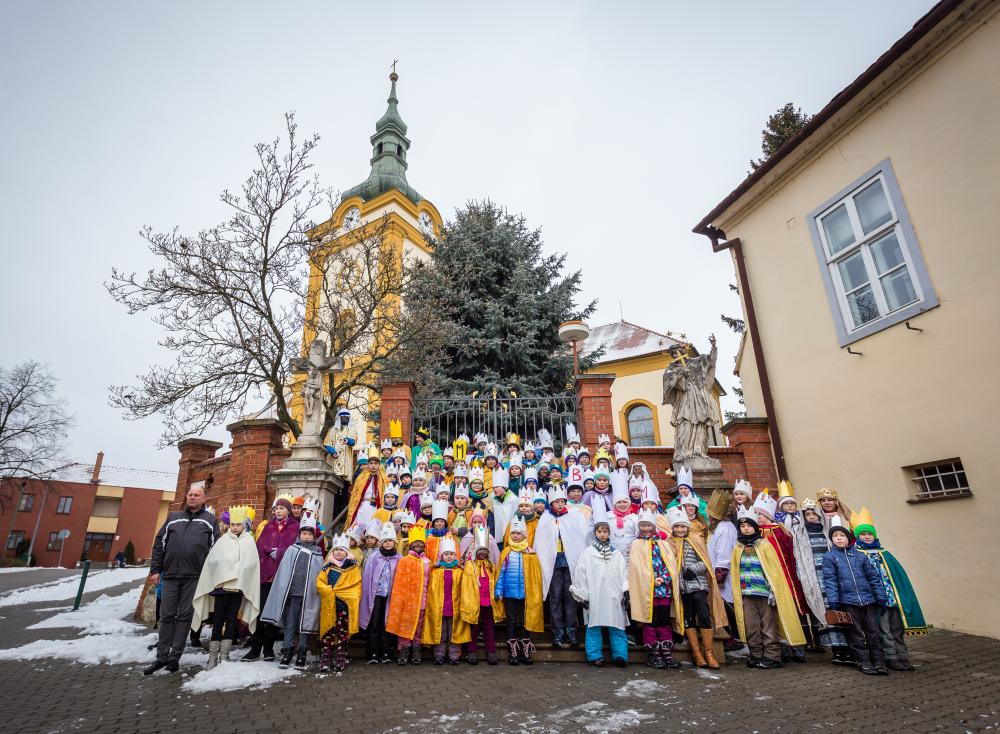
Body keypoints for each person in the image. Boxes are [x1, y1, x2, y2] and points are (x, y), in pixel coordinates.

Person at [143, 482, 219, 675]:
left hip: (194, 577)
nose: (192, 497)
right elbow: (159, 544)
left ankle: (174, 657)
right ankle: (161, 657)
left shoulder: (210, 520)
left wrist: (209, 576)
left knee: (185, 617)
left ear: (204, 499)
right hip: (170, 575)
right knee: (167, 616)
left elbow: (215, 550)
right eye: (190, 494)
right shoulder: (173, 518)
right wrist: (155, 570)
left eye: (196, 495)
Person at [730, 509, 805, 669]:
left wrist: (773, 590)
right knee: (751, 626)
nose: (745, 529)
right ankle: (756, 654)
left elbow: (774, 571)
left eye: (749, 526)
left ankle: (772, 656)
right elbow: (735, 572)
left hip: (765, 593)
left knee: (768, 626)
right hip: (747, 593)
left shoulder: (764, 545)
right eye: (742, 526)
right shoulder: (737, 548)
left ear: (755, 527)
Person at [852, 506, 924, 671]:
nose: (867, 536)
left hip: (893, 598)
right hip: (877, 600)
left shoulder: (885, 553)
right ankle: (891, 657)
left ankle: (903, 656)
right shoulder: (857, 555)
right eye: (863, 534)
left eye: (869, 534)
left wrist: (901, 595)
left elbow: (898, 576)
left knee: (897, 628)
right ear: (857, 537)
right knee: (884, 629)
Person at [191, 505, 260, 669]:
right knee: (218, 620)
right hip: (221, 589)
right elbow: (213, 562)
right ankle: (212, 656)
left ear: (244, 525)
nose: (235, 527)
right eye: (233, 524)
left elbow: (251, 565)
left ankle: (224, 655)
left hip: (237, 589)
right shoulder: (222, 541)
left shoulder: (249, 541)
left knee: (231, 621)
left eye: (238, 525)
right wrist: (226, 569)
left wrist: (239, 572)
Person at [260, 509, 325, 669]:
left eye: (309, 534)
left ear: (314, 536)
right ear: (299, 534)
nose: (306, 537)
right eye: (304, 534)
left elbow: (318, 574)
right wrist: (285, 590)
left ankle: (302, 652)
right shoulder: (291, 549)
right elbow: (284, 572)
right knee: (290, 624)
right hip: (293, 594)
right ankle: (287, 650)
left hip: (309, 595)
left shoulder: (317, 553)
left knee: (305, 624)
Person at [822, 518, 888, 675]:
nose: (838, 538)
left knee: (873, 633)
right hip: (848, 602)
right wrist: (833, 600)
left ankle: (879, 662)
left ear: (849, 538)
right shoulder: (830, 557)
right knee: (856, 634)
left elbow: (873, 578)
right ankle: (863, 662)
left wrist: (880, 597)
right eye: (835, 536)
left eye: (842, 535)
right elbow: (830, 580)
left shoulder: (860, 556)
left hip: (868, 601)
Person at [773, 481, 831, 655]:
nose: (790, 506)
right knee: (802, 601)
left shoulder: (803, 521)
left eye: (792, 503)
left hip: (816, 567)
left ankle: (820, 639)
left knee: (817, 602)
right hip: (796, 565)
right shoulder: (780, 521)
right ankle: (806, 639)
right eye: (786, 504)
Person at [570, 501, 629, 668]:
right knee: (594, 625)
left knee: (617, 624)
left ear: (609, 533)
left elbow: (623, 572)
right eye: (599, 531)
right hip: (595, 595)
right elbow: (581, 574)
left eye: (605, 531)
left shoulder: (616, 554)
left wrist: (625, 591)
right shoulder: (588, 553)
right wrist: (583, 595)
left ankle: (620, 654)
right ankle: (595, 654)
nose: (602, 534)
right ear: (595, 533)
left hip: (614, 594)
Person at [667, 506, 727, 670]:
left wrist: (693, 570)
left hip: (698, 585)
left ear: (687, 527)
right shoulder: (669, 543)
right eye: (677, 527)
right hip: (682, 588)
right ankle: (697, 654)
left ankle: (709, 653)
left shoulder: (695, 540)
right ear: (673, 528)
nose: (680, 529)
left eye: (683, 526)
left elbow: (705, 561)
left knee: (704, 616)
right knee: (688, 619)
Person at [535, 485, 589, 649]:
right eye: (556, 501)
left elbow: (580, 538)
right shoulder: (545, 518)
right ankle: (558, 631)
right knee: (556, 598)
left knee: (570, 597)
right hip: (553, 564)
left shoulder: (573, 516)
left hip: (570, 562)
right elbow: (541, 542)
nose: (560, 504)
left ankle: (571, 631)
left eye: (562, 501)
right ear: (551, 503)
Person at [628, 509, 681, 669]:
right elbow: (636, 568)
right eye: (642, 525)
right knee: (650, 621)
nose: (645, 528)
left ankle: (666, 651)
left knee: (663, 620)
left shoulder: (663, 543)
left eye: (648, 525)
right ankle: (653, 652)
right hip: (647, 590)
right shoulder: (636, 544)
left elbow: (670, 564)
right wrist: (651, 580)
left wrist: (664, 578)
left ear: (653, 527)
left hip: (663, 590)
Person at [801, 499, 852, 664]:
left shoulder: (828, 532)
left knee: (840, 610)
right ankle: (836, 650)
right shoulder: (800, 535)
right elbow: (799, 558)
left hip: (834, 577)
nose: (811, 517)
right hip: (815, 579)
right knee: (826, 614)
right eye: (807, 514)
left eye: (814, 514)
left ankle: (848, 649)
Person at [495, 517, 544, 665]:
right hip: (509, 594)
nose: (515, 536)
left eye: (518, 533)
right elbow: (501, 573)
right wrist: (498, 590)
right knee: (511, 621)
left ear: (524, 535)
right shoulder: (506, 552)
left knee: (523, 621)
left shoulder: (530, 553)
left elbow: (534, 575)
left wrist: (534, 592)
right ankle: (513, 651)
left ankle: (525, 650)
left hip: (525, 595)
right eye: (513, 533)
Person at [316, 533, 362, 674]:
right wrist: (329, 591)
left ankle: (341, 656)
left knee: (342, 632)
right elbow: (320, 583)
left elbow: (356, 586)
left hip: (344, 607)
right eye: (336, 550)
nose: (338, 552)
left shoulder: (353, 568)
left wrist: (348, 596)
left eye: (342, 550)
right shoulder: (327, 568)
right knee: (328, 631)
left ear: (347, 552)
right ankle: (326, 656)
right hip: (330, 606)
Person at [386, 526, 432, 665]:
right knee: (404, 626)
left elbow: (430, 582)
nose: (418, 545)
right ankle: (403, 651)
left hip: (422, 601)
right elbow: (399, 582)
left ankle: (416, 651)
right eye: (415, 543)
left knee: (418, 628)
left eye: (420, 543)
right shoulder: (405, 560)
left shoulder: (427, 562)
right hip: (407, 602)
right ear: (410, 545)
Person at [707, 485, 743, 651]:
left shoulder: (725, 529)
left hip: (723, 577)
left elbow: (724, 555)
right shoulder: (717, 528)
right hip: (715, 573)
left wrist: (719, 577)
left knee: (726, 607)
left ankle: (733, 639)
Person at [461, 527, 501, 665]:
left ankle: (492, 652)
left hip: (488, 603)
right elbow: (466, 585)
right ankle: (472, 652)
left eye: (485, 551)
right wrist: (468, 602)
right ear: (475, 552)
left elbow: (494, 581)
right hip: (475, 603)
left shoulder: (490, 565)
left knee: (489, 628)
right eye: (480, 550)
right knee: (474, 629)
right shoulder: (470, 565)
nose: (482, 553)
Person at [426, 536, 469, 665]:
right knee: (441, 632)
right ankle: (439, 655)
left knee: (454, 633)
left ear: (455, 556)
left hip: (455, 609)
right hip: (440, 609)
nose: (449, 557)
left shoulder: (459, 572)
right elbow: (431, 590)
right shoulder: (436, 572)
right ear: (442, 556)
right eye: (446, 554)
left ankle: (454, 656)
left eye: (451, 554)